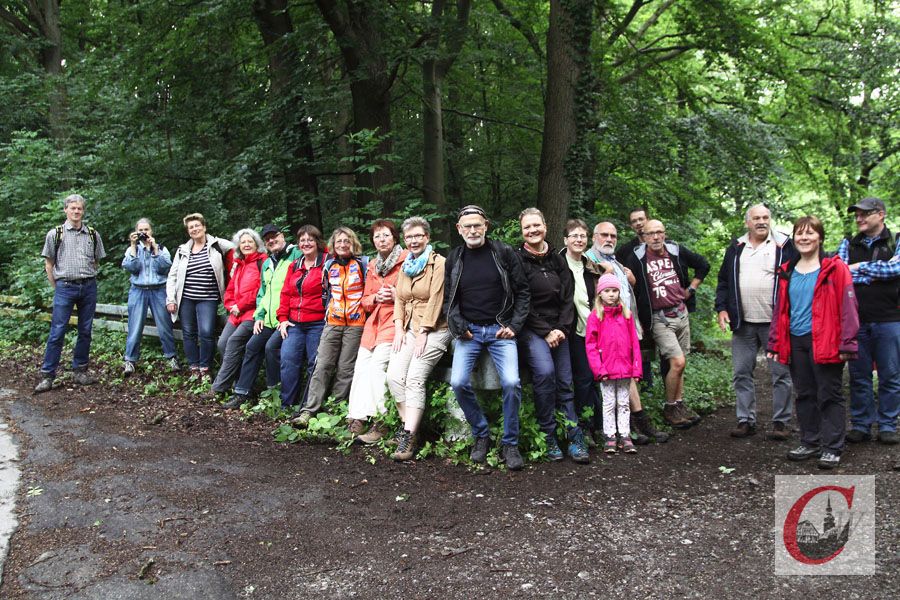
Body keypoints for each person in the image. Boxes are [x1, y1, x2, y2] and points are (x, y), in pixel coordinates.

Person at [768, 216, 858, 469]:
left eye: (810, 233)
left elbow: (849, 306)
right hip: (796, 340)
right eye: (799, 233)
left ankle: (832, 447)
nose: (804, 238)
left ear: (820, 237)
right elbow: (780, 309)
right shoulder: (787, 269)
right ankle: (810, 441)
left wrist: (848, 343)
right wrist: (775, 342)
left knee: (829, 393)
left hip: (826, 340)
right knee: (805, 393)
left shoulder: (835, 267)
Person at [445, 205, 530, 471]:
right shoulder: (455, 257)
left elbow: (523, 291)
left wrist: (514, 325)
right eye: (467, 226)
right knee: (458, 382)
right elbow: (449, 298)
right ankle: (481, 434)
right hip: (469, 332)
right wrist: (459, 327)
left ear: (486, 226)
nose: (473, 230)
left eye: (477, 225)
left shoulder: (503, 252)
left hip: (500, 330)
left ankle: (510, 443)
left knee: (512, 382)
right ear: (459, 229)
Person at [715, 204, 795, 440]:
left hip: (775, 323)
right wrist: (721, 308)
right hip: (743, 323)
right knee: (741, 372)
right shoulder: (736, 247)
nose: (762, 221)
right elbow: (723, 280)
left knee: (780, 374)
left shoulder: (784, 245)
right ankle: (745, 420)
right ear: (747, 222)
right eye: (756, 218)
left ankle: (781, 422)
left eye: (765, 217)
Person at [516, 208, 589, 463]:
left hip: (559, 328)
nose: (533, 230)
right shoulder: (518, 260)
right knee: (546, 374)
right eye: (527, 227)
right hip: (532, 330)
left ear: (545, 227)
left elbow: (568, 298)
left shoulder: (558, 260)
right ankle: (548, 435)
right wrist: (545, 332)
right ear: (522, 231)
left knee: (565, 382)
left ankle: (574, 436)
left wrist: (560, 329)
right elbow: (521, 301)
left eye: (536, 225)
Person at [586, 221, 668, 444]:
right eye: (604, 235)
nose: (609, 239)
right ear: (594, 237)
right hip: (604, 330)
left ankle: (632, 425)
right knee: (616, 381)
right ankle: (630, 427)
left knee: (627, 377)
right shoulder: (590, 260)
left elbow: (626, 294)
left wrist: (630, 280)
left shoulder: (615, 261)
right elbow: (593, 294)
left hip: (626, 325)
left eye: (613, 236)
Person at [624, 219, 710, 429]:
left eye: (659, 232)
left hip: (681, 313)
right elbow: (629, 285)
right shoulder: (636, 258)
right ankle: (670, 407)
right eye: (650, 233)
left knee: (680, 364)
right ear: (643, 236)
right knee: (677, 362)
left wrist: (691, 289)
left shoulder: (675, 250)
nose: (655, 237)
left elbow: (703, 265)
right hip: (659, 318)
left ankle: (679, 404)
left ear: (665, 233)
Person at [385, 217, 453, 461]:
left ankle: (408, 437)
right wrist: (399, 328)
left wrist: (424, 331)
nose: (413, 240)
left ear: (427, 237)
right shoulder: (407, 264)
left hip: (436, 328)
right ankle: (410, 429)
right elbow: (400, 299)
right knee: (394, 376)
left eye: (418, 236)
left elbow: (437, 298)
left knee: (414, 377)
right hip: (410, 327)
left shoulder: (439, 263)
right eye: (409, 237)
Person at [837, 197, 900, 446]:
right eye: (857, 215)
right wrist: (874, 272)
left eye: (864, 214)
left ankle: (887, 426)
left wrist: (859, 267)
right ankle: (861, 425)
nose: (859, 218)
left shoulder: (896, 240)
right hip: (856, 321)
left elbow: (895, 270)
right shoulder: (848, 243)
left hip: (890, 319)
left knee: (890, 375)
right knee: (858, 376)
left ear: (881, 214)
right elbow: (841, 273)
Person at [292, 226, 368, 426]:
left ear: (353, 243)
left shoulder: (363, 264)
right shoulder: (329, 265)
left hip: (356, 323)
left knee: (345, 368)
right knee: (322, 365)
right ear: (333, 245)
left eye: (347, 241)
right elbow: (326, 293)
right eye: (339, 241)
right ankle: (309, 410)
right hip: (333, 322)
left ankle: (334, 410)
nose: (343, 245)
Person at [34, 194, 107, 393]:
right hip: (65, 287)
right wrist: (57, 286)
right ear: (65, 210)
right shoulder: (55, 234)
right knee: (57, 331)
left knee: (85, 330)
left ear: (83, 211)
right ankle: (48, 375)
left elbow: (96, 261)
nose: (76, 211)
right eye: (73, 208)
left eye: (79, 208)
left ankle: (80, 371)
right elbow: (49, 263)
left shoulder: (92, 234)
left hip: (88, 286)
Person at [347, 220, 407, 440]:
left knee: (377, 368)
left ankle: (382, 421)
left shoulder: (406, 260)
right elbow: (364, 300)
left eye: (386, 235)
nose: (381, 240)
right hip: (373, 324)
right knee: (361, 367)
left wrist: (395, 295)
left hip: (394, 320)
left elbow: (415, 294)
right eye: (377, 236)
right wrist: (375, 298)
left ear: (394, 238)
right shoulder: (373, 265)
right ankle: (357, 418)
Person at [227, 224, 300, 406]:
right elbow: (262, 293)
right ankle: (242, 392)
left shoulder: (295, 255)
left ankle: (275, 392)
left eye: (274, 236)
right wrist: (259, 316)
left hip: (287, 318)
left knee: (270, 348)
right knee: (252, 346)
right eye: (268, 239)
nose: (271, 241)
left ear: (282, 236)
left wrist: (286, 317)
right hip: (268, 319)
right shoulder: (268, 263)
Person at [166, 213, 235, 381]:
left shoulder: (217, 245)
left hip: (208, 298)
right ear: (188, 231)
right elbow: (172, 275)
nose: (194, 229)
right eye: (191, 227)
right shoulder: (182, 250)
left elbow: (239, 247)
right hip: (186, 299)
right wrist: (171, 299)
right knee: (188, 333)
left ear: (204, 227)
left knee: (206, 332)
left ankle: (205, 368)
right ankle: (194, 367)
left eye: (197, 225)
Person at [586, 274, 642, 454]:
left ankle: (624, 435)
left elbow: (634, 343)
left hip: (625, 368)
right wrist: (599, 369)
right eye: (607, 291)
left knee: (624, 403)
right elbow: (591, 346)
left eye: (614, 290)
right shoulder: (595, 316)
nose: (611, 294)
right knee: (609, 403)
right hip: (606, 370)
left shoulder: (626, 315)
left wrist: (636, 368)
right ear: (600, 293)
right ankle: (610, 436)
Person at [211, 228, 267, 405]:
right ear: (239, 246)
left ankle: (219, 388)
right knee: (222, 343)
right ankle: (239, 382)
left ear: (257, 244)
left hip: (253, 314)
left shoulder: (262, 262)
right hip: (235, 314)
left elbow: (260, 290)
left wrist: (240, 305)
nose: (247, 244)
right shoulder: (239, 264)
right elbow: (230, 289)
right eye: (243, 242)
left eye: (250, 241)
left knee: (234, 342)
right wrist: (230, 305)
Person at [276, 225, 329, 410]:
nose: (306, 243)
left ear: (317, 242)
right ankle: (287, 404)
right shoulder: (295, 265)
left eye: (310, 240)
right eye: (302, 240)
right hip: (294, 323)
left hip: (318, 322)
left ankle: (308, 405)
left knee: (315, 363)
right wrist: (282, 318)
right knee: (288, 359)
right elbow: (285, 293)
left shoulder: (327, 262)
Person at [562, 219, 604, 440]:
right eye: (574, 236)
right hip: (571, 330)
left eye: (582, 236)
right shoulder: (558, 264)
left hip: (593, 329)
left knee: (592, 378)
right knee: (582, 378)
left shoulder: (591, 266)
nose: (579, 240)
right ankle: (582, 425)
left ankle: (595, 424)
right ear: (565, 240)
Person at [121, 218, 179, 375]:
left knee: (164, 326)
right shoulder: (132, 249)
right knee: (134, 327)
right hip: (138, 291)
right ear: (136, 232)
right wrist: (133, 246)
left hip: (158, 290)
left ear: (151, 231)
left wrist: (154, 249)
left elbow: (165, 267)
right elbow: (132, 268)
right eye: (140, 230)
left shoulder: (161, 248)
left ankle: (171, 358)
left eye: (146, 230)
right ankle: (130, 361)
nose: (143, 233)